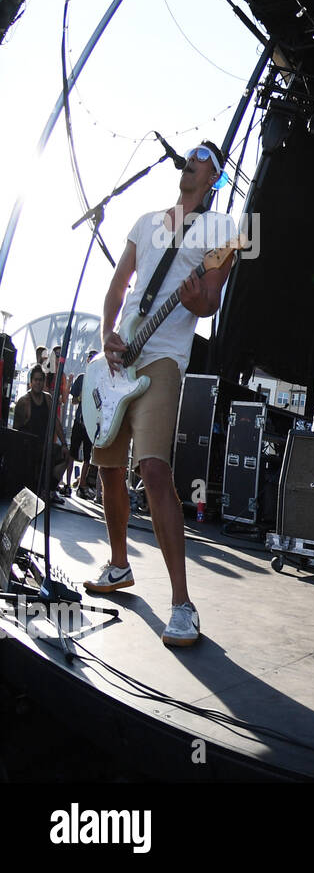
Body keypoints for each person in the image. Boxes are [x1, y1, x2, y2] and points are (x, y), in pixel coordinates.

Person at [82, 140, 236, 649]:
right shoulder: (147, 220)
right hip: (120, 358)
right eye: (189, 153)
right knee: (107, 468)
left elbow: (211, 299)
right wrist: (108, 333)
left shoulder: (223, 230)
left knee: (152, 469)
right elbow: (118, 284)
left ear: (213, 178)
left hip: (163, 358)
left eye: (203, 158)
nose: (190, 159)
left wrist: (200, 298)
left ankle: (182, 606)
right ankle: (119, 565)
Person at [11, 365, 69, 501]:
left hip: (44, 446)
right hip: (28, 448)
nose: (38, 383)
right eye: (35, 380)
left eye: (40, 380)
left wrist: (65, 444)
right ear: (31, 382)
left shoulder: (48, 399)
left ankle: (48, 490)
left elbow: (56, 423)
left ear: (43, 382)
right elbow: (16, 430)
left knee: (66, 456)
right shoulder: (24, 401)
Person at [66, 351, 98, 499]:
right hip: (79, 422)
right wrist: (81, 397)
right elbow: (73, 401)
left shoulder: (99, 381)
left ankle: (81, 484)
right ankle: (67, 483)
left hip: (91, 425)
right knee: (72, 454)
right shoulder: (81, 379)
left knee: (87, 456)